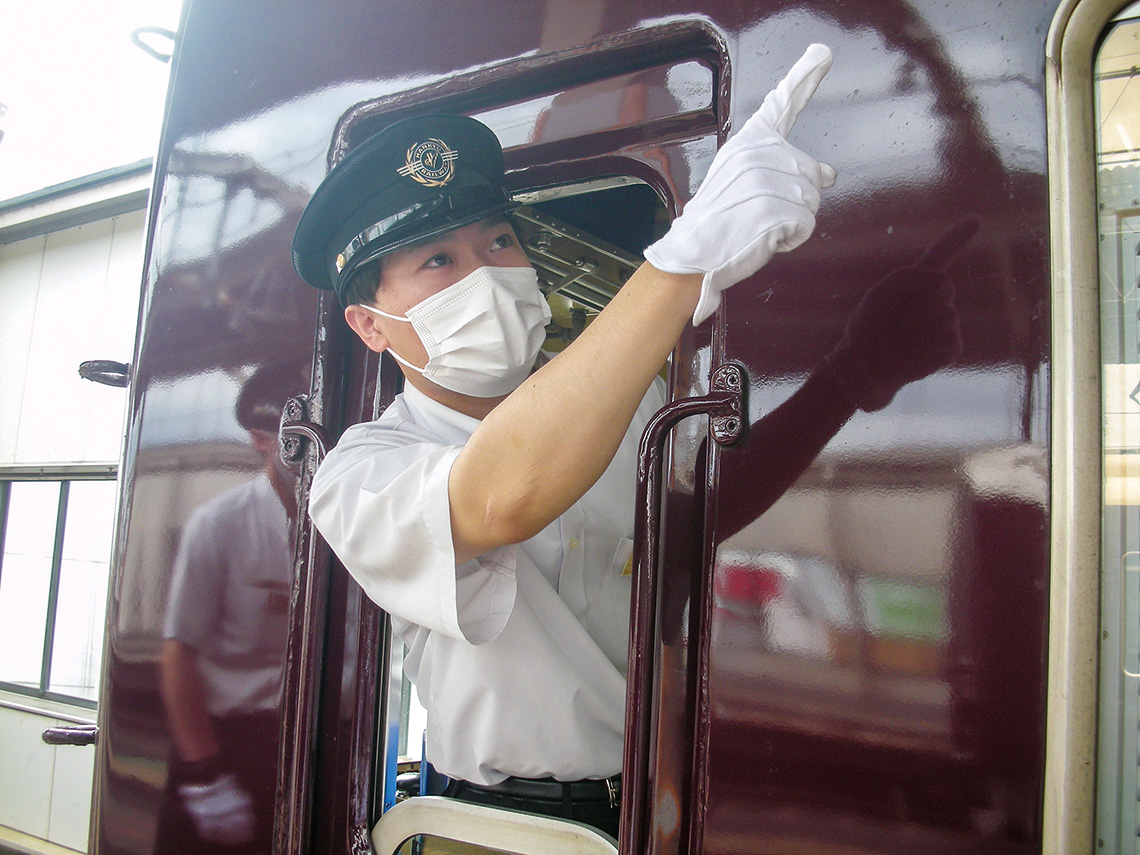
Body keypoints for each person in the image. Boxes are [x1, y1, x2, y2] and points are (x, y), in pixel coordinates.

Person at [290, 44, 963, 838]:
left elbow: (706, 512)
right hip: (501, 828)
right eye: (439, 260)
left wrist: (852, 375)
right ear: (370, 326)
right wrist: (682, 265)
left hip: (660, 809)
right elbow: (501, 493)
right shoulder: (358, 471)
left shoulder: (620, 401)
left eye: (499, 242)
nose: (487, 276)